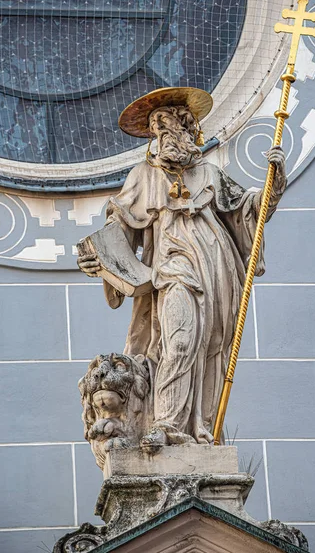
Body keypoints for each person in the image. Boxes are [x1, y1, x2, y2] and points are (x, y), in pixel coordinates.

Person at [78, 87, 286, 448]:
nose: (171, 133)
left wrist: (274, 182)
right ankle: (168, 423)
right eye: (161, 127)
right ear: (154, 138)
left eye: (179, 125)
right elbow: (118, 232)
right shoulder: (143, 176)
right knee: (180, 340)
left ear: (192, 132)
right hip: (171, 270)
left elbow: (249, 212)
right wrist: (99, 259)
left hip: (218, 268)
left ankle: (200, 428)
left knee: (211, 344)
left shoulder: (210, 173)